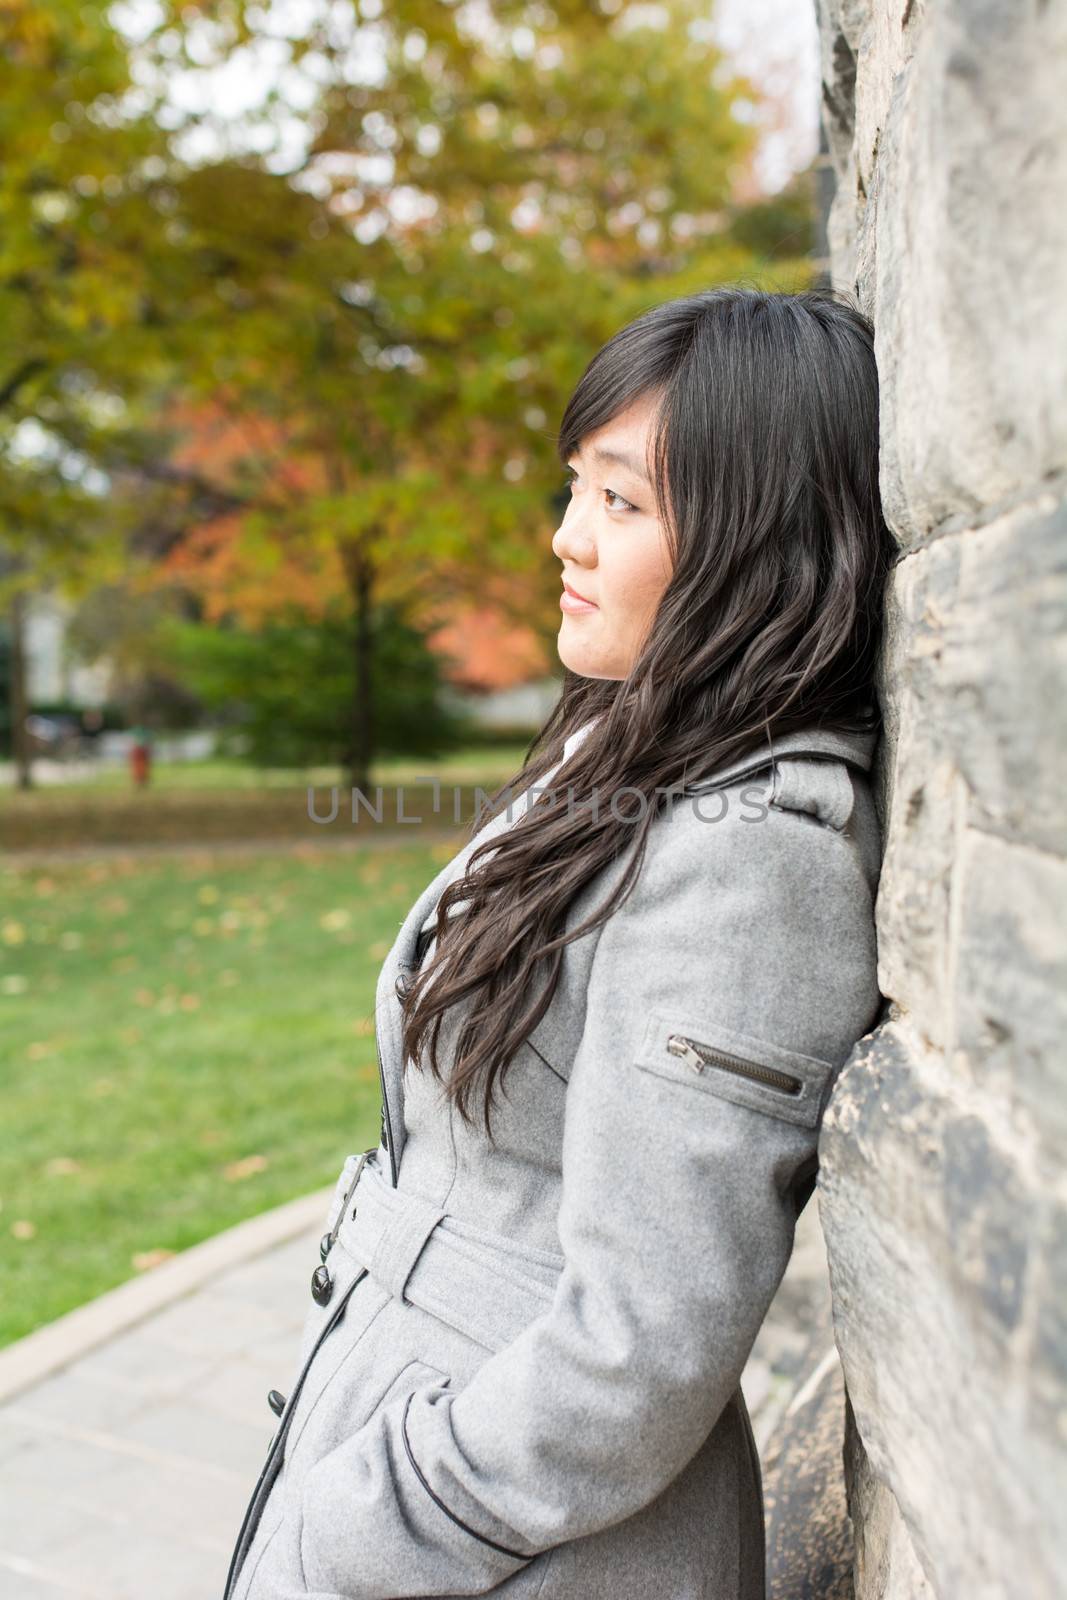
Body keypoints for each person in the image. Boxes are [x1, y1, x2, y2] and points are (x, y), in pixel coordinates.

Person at [223, 285, 893, 1600]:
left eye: (620, 503)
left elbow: (639, 1351)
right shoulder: (626, 755)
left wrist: (370, 1517)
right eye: (573, 492)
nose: (563, 540)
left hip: (511, 1542)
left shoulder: (750, 854)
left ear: (752, 544)